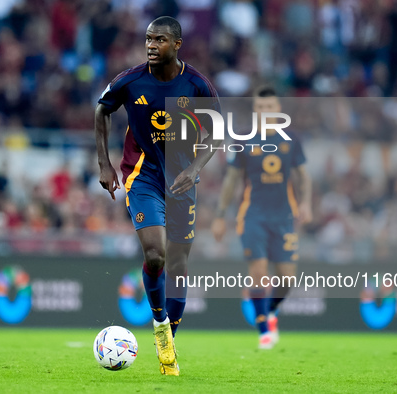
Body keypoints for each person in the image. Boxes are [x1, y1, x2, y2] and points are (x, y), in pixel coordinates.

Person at [94, 16, 220, 375]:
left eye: (159, 40)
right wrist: (105, 164)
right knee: (155, 255)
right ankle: (160, 324)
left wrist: (195, 169)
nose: (151, 45)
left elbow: (216, 133)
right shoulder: (131, 80)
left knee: (179, 265)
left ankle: (171, 338)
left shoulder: (197, 84)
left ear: (177, 45)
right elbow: (102, 110)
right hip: (143, 177)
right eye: (148, 39)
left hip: (181, 182)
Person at [211, 86, 312, 349]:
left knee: (287, 278)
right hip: (252, 215)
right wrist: (220, 216)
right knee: (258, 273)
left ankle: (271, 310)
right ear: (255, 111)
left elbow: (303, 176)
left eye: (269, 107)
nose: (265, 112)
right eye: (260, 108)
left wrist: (307, 203)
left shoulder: (291, 139)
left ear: (277, 110)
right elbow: (231, 180)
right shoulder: (242, 139)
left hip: (284, 217)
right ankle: (263, 328)